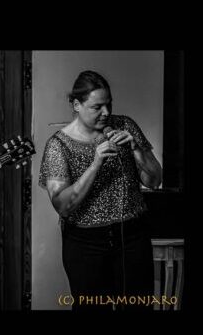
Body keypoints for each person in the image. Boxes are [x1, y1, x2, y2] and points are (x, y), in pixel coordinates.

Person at [39, 70, 162, 311]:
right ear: (76, 105)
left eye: (109, 105)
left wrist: (137, 149)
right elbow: (63, 206)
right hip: (86, 244)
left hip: (133, 236)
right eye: (97, 107)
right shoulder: (58, 144)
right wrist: (95, 164)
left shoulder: (125, 125)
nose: (106, 112)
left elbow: (155, 180)